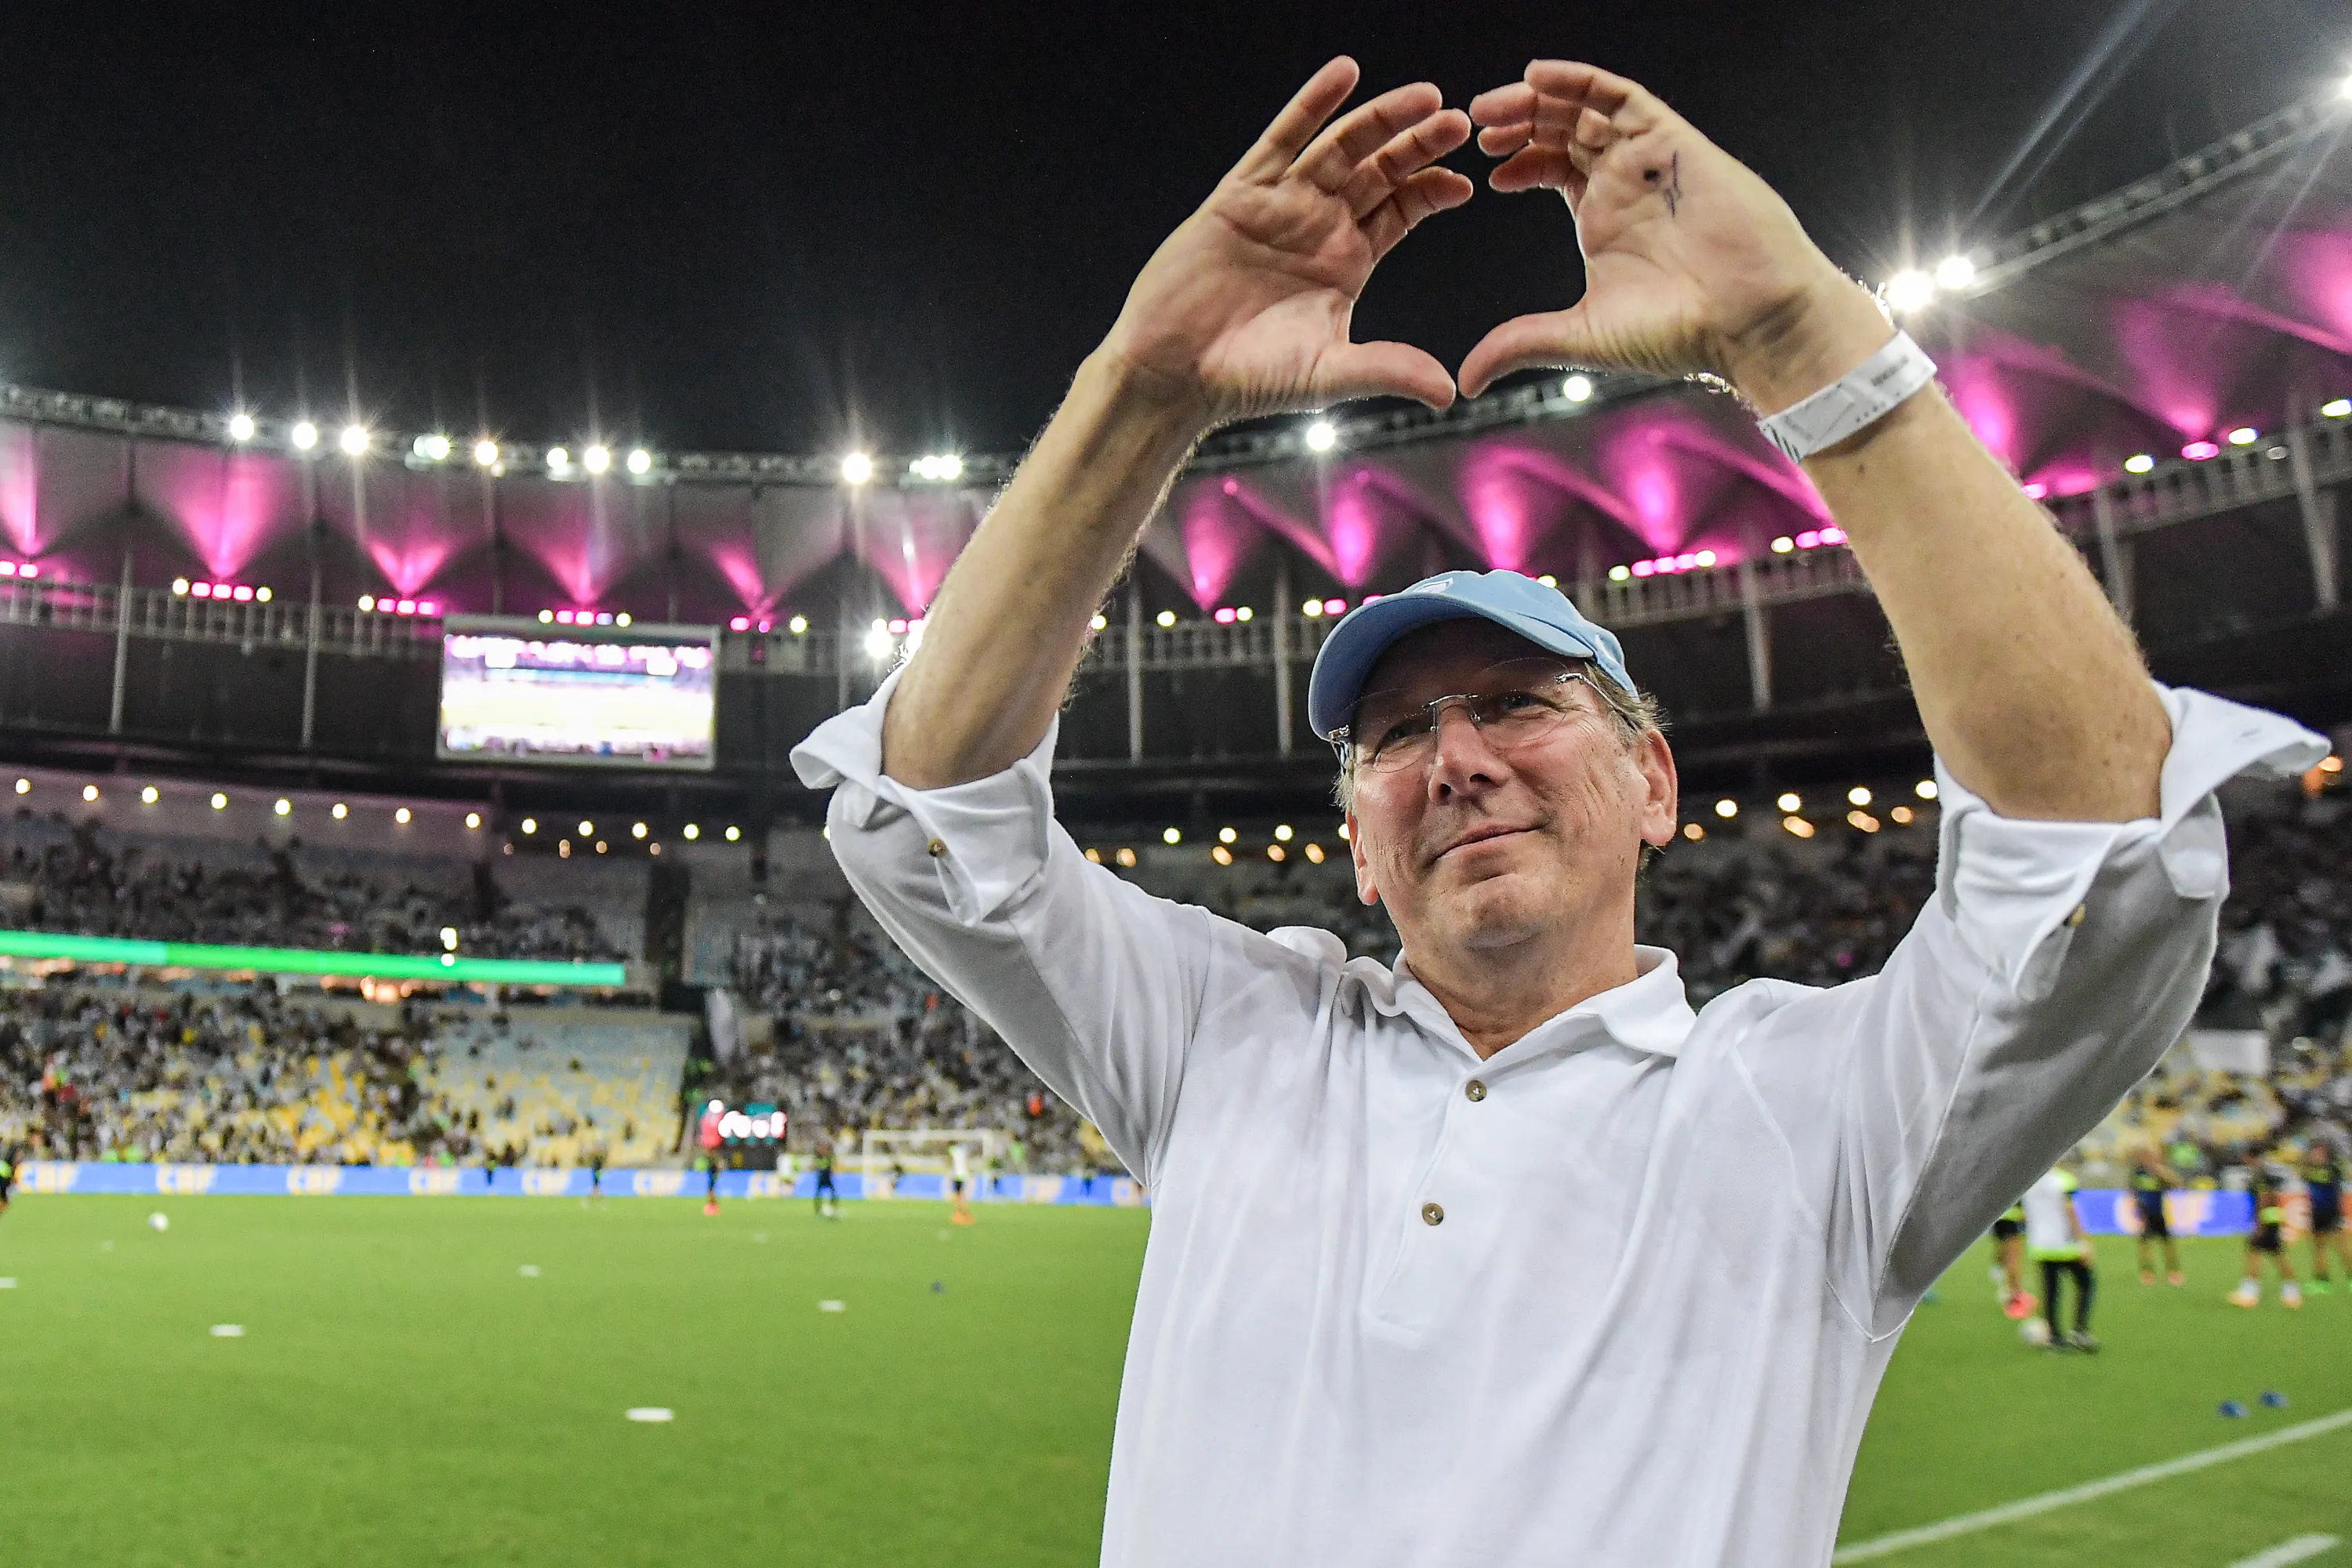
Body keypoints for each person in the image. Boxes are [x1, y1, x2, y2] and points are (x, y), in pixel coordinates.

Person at [791, 55, 2324, 1566]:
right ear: (1361, 852)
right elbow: (928, 815)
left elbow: (2101, 858)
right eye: (1396, 732)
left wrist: (1805, 339)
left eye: (1519, 703)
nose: (1456, 758)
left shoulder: (1818, 1110)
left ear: (1655, 781)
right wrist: (1142, 392)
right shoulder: (1226, 1042)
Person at [2021, 1164, 2097, 1352]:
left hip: (2041, 1244)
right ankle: (2080, 1331)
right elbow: (2070, 1209)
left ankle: (2054, 1337)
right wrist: (2083, 1242)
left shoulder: (2028, 1182)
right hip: (2065, 1244)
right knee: (2086, 1283)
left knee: (2051, 1291)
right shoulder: (2063, 1179)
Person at [2233, 1162, 2302, 1308]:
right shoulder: (2268, 1181)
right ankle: (2291, 1293)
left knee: (2258, 1255)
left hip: (2266, 1222)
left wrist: (2260, 1225)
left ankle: (2250, 1294)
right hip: (2272, 1221)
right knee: (2276, 1256)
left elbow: (2263, 1202)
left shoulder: (2261, 1183)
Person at [2130, 1148, 2183, 1286]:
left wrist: (2161, 1172)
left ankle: (2173, 1271)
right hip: (2145, 1214)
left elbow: (2176, 1184)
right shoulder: (2139, 1173)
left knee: (2167, 1244)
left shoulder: (2160, 1173)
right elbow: (2133, 1191)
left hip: (2158, 1213)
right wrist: (2136, 1210)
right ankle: (2147, 1272)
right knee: (2145, 1245)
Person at [2302, 1136, 2347, 1294]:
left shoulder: (2333, 1169)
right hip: (2317, 1213)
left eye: (2317, 1152)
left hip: (2332, 1213)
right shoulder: (2309, 1170)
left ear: (2325, 1154)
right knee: (2318, 1247)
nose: (2313, 1154)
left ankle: (2350, 1278)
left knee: (2341, 1247)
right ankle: (2322, 1280)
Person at [1989, 1201, 2034, 1319]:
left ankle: (2016, 1293)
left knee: (2007, 1255)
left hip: (2002, 1219)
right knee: (2013, 1260)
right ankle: (2015, 1299)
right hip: (2010, 1219)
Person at [949, 1141, 978, 1226]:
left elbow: (951, 1161)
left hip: (957, 1175)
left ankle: (961, 1213)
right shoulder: (962, 1151)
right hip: (964, 1175)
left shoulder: (952, 1150)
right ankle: (962, 1213)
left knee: (958, 1195)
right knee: (961, 1195)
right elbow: (966, 1161)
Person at [811, 1143, 838, 1219]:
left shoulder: (829, 1158)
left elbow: (833, 1166)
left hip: (828, 1178)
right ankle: (817, 1210)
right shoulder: (818, 1158)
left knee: (834, 1194)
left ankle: (832, 1208)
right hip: (821, 1178)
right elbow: (815, 1166)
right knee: (818, 1195)